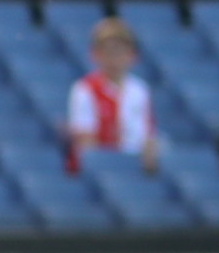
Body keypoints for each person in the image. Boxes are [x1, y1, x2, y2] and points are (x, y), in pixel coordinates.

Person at [63, 14, 161, 176]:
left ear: (132, 56)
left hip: (133, 168)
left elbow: (146, 136)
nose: (114, 59)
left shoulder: (139, 90)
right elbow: (86, 142)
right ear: (96, 55)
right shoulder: (85, 89)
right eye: (108, 52)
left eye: (120, 52)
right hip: (100, 170)